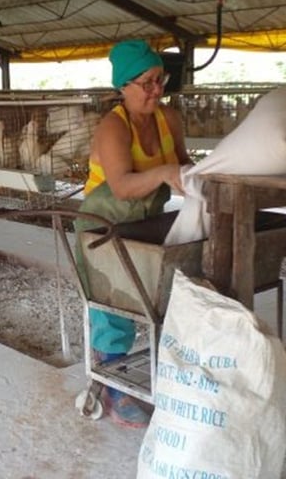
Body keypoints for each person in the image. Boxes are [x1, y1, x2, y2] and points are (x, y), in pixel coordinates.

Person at [75, 39, 191, 428]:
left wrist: (201, 181)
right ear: (124, 85)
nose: (157, 90)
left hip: (143, 219)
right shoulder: (113, 126)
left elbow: (184, 163)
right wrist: (163, 174)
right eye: (147, 83)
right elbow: (123, 187)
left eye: (161, 80)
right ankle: (113, 383)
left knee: (150, 292)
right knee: (115, 298)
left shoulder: (168, 119)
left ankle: (149, 365)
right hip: (102, 223)